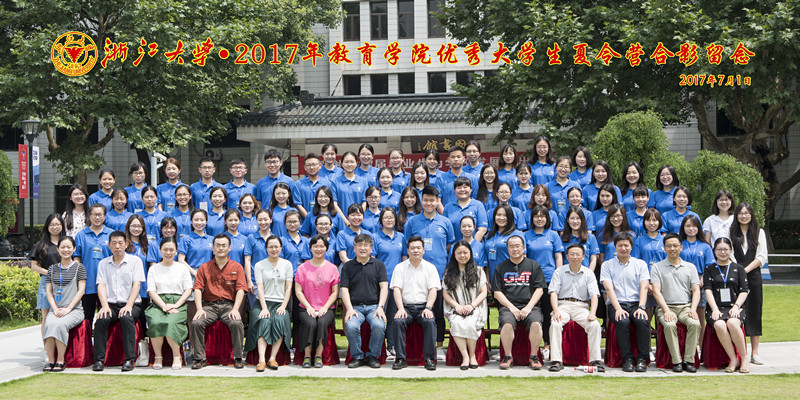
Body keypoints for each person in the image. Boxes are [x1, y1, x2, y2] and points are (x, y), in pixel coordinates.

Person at [403, 185, 455, 359]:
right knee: (414, 309)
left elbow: (449, 246)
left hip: (438, 274)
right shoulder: (412, 222)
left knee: (437, 312)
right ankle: (415, 346)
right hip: (416, 274)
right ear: (421, 200)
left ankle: (438, 346)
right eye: (425, 200)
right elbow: (407, 247)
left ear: (438, 201)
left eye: (432, 200)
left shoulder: (445, 222)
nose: (428, 203)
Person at [190, 234, 247, 370]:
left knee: (237, 323)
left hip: (228, 306)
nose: (221, 248)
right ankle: (199, 358)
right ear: (213, 248)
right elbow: (197, 289)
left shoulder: (237, 267)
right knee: (196, 323)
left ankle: (238, 358)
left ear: (229, 248)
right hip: (210, 306)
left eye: (224, 245)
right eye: (218, 245)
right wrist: (199, 309)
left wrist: (235, 309)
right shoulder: (204, 268)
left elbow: (240, 290)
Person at [92, 231, 145, 372]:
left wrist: (129, 305)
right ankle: (98, 360)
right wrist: (104, 306)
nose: (117, 246)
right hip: (110, 304)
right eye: (114, 243)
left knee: (126, 317)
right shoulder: (103, 264)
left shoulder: (135, 261)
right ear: (109, 245)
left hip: (132, 304)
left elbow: (137, 285)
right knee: (101, 320)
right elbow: (101, 285)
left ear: (126, 244)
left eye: (120, 243)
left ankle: (129, 359)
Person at [493, 234, 546, 370]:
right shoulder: (500, 267)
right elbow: (497, 292)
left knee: (536, 323)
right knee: (507, 323)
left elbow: (539, 289)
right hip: (508, 306)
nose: (515, 249)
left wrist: (528, 308)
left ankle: (534, 357)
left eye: (517, 246)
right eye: (511, 246)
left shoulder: (533, 265)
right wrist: (512, 308)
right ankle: (508, 356)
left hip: (530, 306)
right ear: (507, 249)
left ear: (523, 248)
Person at [599, 231, 650, 373]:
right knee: (622, 321)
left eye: (626, 245)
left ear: (631, 247)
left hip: (635, 304)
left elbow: (644, 287)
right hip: (616, 304)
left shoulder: (640, 264)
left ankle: (642, 359)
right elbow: (609, 289)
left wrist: (641, 307)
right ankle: (627, 359)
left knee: (642, 321)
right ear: (615, 247)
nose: (623, 248)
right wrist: (618, 308)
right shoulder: (607, 265)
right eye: (620, 245)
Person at [547, 244, 603, 372]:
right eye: (572, 254)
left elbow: (594, 295)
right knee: (555, 323)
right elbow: (554, 293)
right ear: (567, 256)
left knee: (594, 325)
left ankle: (595, 360)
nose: (575, 257)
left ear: (583, 257)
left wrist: (593, 313)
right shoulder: (559, 271)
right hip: (563, 305)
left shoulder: (588, 273)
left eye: (578, 254)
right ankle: (556, 360)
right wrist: (556, 311)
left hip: (581, 307)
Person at [651, 233, 701, 373]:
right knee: (669, 325)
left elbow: (696, 290)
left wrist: (693, 309)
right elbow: (656, 291)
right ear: (664, 248)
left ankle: (688, 360)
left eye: (675, 245)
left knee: (695, 324)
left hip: (686, 307)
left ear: (681, 247)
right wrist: (666, 310)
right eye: (668, 246)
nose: (672, 248)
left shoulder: (690, 267)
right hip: (666, 307)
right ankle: (677, 361)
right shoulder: (657, 267)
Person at [390, 235, 441, 371]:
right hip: (405, 307)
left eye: (418, 248)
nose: (416, 251)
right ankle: (400, 359)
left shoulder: (430, 268)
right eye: (412, 248)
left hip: (423, 307)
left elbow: (433, 290)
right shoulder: (400, 267)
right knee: (398, 322)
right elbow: (396, 289)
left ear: (423, 250)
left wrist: (428, 308)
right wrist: (400, 308)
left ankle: (429, 359)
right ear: (408, 250)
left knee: (430, 322)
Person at [244, 235, 293, 371]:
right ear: (266, 248)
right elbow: (259, 288)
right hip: (262, 302)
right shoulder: (259, 265)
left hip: (280, 303)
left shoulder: (287, 264)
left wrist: (283, 306)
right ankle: (261, 360)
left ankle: (272, 358)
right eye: (270, 247)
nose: (274, 249)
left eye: (276, 246)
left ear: (281, 248)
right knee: (263, 321)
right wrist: (264, 308)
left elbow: (288, 288)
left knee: (280, 320)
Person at [145, 237, 193, 370]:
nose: (168, 252)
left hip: (178, 302)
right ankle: (158, 356)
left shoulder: (182, 268)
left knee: (171, 322)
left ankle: (176, 356)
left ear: (176, 251)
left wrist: (176, 305)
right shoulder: (154, 269)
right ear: (160, 250)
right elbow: (151, 290)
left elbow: (188, 289)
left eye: (171, 250)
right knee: (155, 322)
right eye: (165, 249)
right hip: (158, 303)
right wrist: (163, 306)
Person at [704, 237, 750, 373]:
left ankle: (744, 359)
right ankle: (733, 359)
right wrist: (714, 309)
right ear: (714, 251)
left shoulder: (739, 268)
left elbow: (744, 290)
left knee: (733, 323)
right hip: (716, 307)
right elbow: (708, 290)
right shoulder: (709, 269)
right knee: (719, 324)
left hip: (735, 306)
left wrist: (736, 306)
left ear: (731, 251)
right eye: (719, 249)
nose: (722, 252)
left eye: (725, 249)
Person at [341, 234, 388, 369]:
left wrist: (380, 307)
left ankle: (373, 356)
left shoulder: (378, 265)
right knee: (351, 326)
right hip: (355, 308)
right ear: (354, 248)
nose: (363, 248)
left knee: (379, 325)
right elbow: (344, 289)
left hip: (374, 307)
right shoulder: (348, 266)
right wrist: (349, 309)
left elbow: (384, 287)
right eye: (359, 245)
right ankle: (357, 357)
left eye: (366, 245)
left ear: (371, 248)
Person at [729, 202, 767, 365]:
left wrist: (745, 270)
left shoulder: (759, 232)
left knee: (754, 311)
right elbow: (729, 254)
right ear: (736, 215)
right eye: (741, 213)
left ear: (751, 215)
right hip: (734, 276)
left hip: (754, 276)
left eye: (747, 213)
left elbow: (762, 257)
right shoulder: (731, 232)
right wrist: (739, 271)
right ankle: (738, 351)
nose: (744, 216)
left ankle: (755, 352)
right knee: (735, 311)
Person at [524, 205, 564, 357]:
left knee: (548, 313)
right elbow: (524, 257)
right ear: (532, 218)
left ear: (547, 218)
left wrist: (558, 275)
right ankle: (532, 346)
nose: (539, 219)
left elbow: (558, 256)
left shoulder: (553, 235)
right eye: (536, 216)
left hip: (549, 279)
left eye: (542, 216)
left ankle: (548, 344)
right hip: (531, 281)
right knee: (533, 313)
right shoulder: (526, 235)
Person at [41, 236, 86, 372]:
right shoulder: (52, 269)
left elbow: (81, 290)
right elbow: (49, 291)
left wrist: (68, 309)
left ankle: (60, 360)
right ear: (58, 249)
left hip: (75, 310)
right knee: (49, 324)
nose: (66, 250)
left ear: (74, 249)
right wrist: (54, 309)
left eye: (69, 247)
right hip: (55, 309)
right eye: (63, 247)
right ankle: (50, 360)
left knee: (60, 325)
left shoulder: (79, 268)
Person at [295, 235, 340, 368]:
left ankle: (319, 356)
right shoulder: (302, 268)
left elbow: (335, 292)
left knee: (322, 323)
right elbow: (298, 291)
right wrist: (308, 307)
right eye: (315, 246)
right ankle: (307, 356)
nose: (318, 249)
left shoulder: (332, 268)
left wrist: (325, 307)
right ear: (310, 248)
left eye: (321, 246)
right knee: (310, 323)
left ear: (326, 248)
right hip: (306, 307)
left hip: (326, 308)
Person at [442, 241, 488, 370]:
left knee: (470, 323)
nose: (462, 255)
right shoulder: (449, 272)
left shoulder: (478, 271)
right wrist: (457, 306)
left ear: (470, 253)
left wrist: (471, 306)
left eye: (465, 252)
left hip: (475, 307)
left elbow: (483, 292)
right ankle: (465, 357)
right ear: (454, 255)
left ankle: (472, 356)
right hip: (456, 308)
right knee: (456, 323)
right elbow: (446, 293)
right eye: (459, 253)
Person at [73, 203, 113, 321]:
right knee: (87, 317)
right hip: (88, 282)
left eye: (100, 214)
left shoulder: (111, 234)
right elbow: (77, 257)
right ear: (89, 216)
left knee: (105, 317)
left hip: (107, 282)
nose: (97, 217)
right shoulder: (81, 235)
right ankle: (87, 334)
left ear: (105, 216)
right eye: (94, 214)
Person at [374, 207, 405, 356]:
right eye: (385, 217)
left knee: (393, 315)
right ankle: (379, 347)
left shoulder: (401, 237)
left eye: (391, 217)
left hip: (396, 283)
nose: (389, 220)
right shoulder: (375, 237)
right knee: (380, 315)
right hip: (380, 283)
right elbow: (373, 260)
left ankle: (392, 345)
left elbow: (404, 259)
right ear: (381, 220)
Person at [29, 214, 65, 341]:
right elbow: (34, 266)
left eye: (57, 224)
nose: (55, 227)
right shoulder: (41, 244)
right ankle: (47, 346)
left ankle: (61, 345)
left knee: (63, 315)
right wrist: (50, 273)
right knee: (47, 317)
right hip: (47, 283)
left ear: (62, 225)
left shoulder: (66, 243)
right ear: (47, 227)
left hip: (65, 283)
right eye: (52, 225)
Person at [443, 176, 488, 242]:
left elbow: (482, 229)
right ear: (455, 190)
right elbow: (445, 230)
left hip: (473, 246)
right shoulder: (448, 207)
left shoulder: (478, 205)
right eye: (459, 187)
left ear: (471, 189)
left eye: (465, 187)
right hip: (454, 246)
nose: (462, 190)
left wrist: (471, 245)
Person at [244, 209, 273, 306]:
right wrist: (249, 281)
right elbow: (247, 260)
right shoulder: (251, 238)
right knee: (256, 310)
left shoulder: (275, 238)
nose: (263, 222)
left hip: (272, 281)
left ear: (271, 220)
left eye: (265, 219)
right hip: (255, 281)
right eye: (260, 220)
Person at [330, 151, 368, 217]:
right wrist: (345, 220)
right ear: (342, 164)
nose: (349, 164)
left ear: (356, 163)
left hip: (358, 220)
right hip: (341, 220)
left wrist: (357, 217)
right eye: (346, 162)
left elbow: (364, 202)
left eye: (352, 162)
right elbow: (334, 204)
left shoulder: (363, 182)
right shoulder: (335, 182)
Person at [295, 153, 329, 219]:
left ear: (320, 165)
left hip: (324, 222)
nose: (312, 167)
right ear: (305, 167)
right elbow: (298, 205)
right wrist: (309, 220)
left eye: (314, 164)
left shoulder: (327, 183)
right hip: (304, 222)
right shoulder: (298, 184)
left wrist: (320, 221)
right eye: (309, 165)